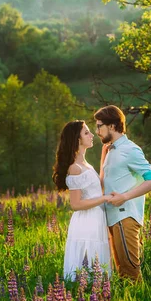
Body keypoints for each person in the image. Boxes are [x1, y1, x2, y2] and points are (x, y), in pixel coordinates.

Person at [94, 105, 151, 281]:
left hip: (125, 218)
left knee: (131, 273)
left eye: (100, 126)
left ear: (113, 126)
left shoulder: (130, 149)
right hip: (113, 218)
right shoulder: (110, 150)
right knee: (121, 274)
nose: (97, 131)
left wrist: (125, 197)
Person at [52, 120, 112, 280]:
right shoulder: (74, 168)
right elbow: (76, 204)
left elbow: (95, 187)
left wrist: (105, 157)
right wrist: (104, 198)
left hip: (96, 218)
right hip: (86, 221)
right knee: (88, 261)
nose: (92, 135)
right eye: (86, 133)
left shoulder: (85, 164)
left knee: (98, 263)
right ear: (77, 140)